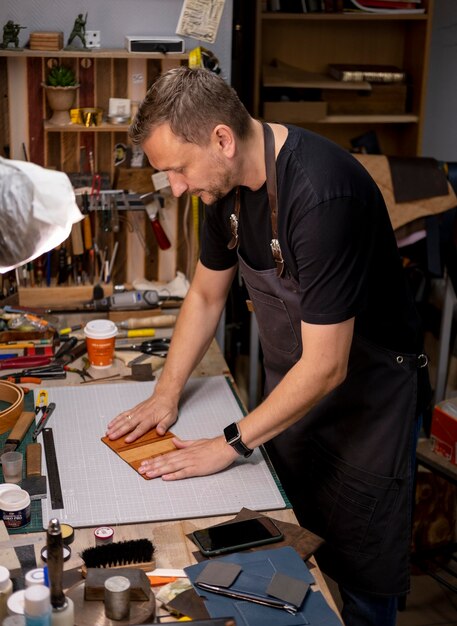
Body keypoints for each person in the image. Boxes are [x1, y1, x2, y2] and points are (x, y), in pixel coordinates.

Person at [106, 66, 430, 626]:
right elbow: (207, 295)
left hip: (367, 406)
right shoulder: (223, 190)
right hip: (295, 400)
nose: (176, 188)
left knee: (360, 576)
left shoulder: (320, 195)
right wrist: (166, 392)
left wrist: (228, 442)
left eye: (178, 170)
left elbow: (328, 365)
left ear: (222, 139)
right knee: (289, 553)